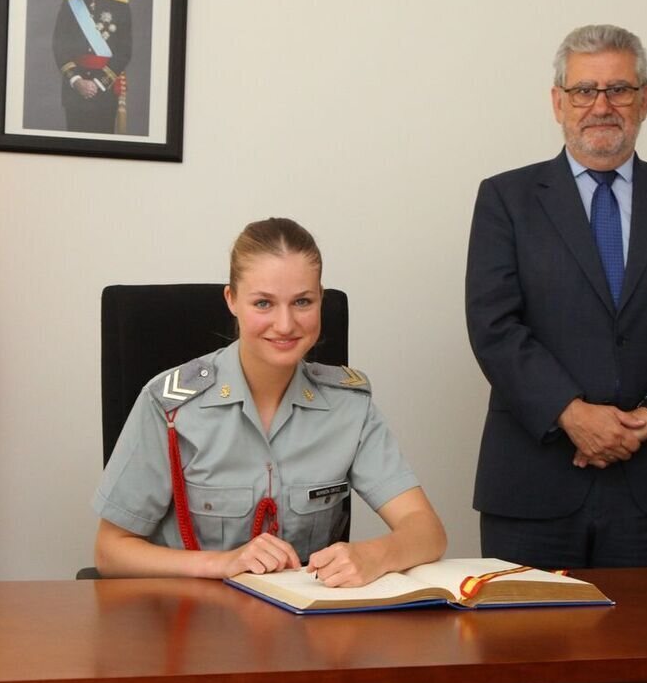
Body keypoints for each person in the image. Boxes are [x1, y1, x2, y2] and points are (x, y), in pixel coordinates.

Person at [465, 24, 647, 569]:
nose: (602, 105)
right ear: (558, 101)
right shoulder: (506, 198)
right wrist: (571, 413)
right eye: (583, 90)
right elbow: (494, 326)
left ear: (645, 100)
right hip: (535, 479)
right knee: (524, 652)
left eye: (619, 89)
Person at [93, 218, 446, 585]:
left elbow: (427, 531)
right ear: (231, 300)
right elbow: (110, 550)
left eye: (303, 302)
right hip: (191, 625)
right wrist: (223, 563)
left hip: (305, 630)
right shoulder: (170, 406)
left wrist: (374, 555)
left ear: (321, 300)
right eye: (263, 303)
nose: (285, 324)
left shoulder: (349, 407)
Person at [52, 0, 132, 134]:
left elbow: (124, 51)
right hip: (75, 89)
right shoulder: (69, 5)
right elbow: (59, 46)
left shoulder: (121, 7)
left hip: (106, 89)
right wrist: (77, 80)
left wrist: (99, 83)